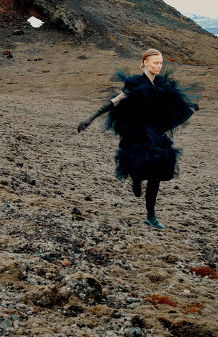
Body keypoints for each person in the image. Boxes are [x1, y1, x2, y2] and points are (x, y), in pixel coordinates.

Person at [77, 48, 199, 230]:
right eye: (155, 63)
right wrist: (91, 118)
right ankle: (136, 178)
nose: (159, 66)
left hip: (156, 134)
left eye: (161, 63)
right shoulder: (135, 84)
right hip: (137, 133)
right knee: (138, 166)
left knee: (156, 175)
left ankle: (151, 216)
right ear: (145, 63)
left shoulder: (162, 84)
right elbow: (116, 101)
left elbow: (170, 105)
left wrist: (187, 107)